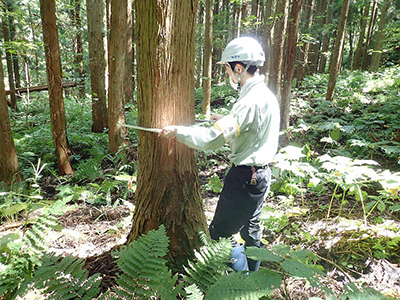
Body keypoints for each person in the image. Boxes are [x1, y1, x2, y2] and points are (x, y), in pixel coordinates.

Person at [160, 36, 280, 272]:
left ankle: (240, 286)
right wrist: (226, 120)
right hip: (261, 177)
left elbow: (212, 140)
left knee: (220, 236)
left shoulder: (249, 101)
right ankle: (255, 285)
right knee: (251, 230)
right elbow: (254, 126)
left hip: (245, 179)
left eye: (227, 69)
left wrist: (179, 133)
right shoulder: (265, 95)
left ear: (238, 67)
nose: (227, 74)